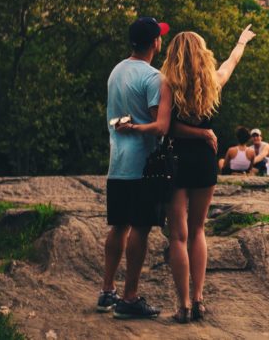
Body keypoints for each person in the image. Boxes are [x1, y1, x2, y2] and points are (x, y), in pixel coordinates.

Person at [122, 24, 256, 323]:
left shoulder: (167, 83)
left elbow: (165, 126)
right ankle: (199, 300)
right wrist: (241, 41)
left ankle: (182, 305)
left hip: (176, 161)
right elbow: (230, 62)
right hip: (205, 162)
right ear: (202, 54)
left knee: (178, 237)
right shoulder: (212, 82)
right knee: (198, 231)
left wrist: (196, 133)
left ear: (174, 55)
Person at [98, 17, 167, 320]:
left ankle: (107, 290)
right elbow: (157, 127)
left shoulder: (116, 71)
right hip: (143, 165)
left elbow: (115, 118)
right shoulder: (154, 78)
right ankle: (130, 297)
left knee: (118, 226)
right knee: (140, 228)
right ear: (155, 42)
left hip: (117, 162)